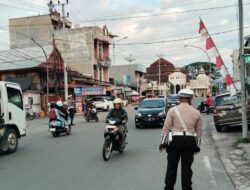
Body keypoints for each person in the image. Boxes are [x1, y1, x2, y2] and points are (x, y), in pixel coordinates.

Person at [159, 89, 202, 190]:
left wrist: (162, 143)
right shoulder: (196, 112)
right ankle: (187, 188)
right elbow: (199, 132)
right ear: (190, 98)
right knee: (187, 167)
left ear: (180, 98)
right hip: (190, 141)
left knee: (172, 167)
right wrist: (197, 147)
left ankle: (169, 188)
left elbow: (166, 127)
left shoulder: (172, 110)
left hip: (175, 141)